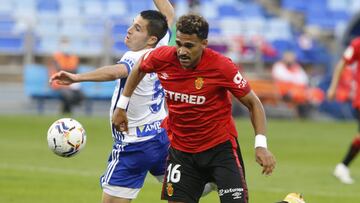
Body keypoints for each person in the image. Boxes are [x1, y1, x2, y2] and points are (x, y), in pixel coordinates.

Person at [113, 14, 276, 203]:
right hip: (181, 152)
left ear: (204, 43)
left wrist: (261, 146)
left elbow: (254, 104)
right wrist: (122, 106)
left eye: (189, 46)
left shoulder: (222, 67)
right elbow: (140, 67)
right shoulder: (164, 57)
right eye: (179, 44)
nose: (182, 51)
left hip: (219, 150)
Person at [50, 1, 177, 202]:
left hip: (133, 145)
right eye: (132, 24)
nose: (128, 31)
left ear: (151, 38)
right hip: (161, 138)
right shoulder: (161, 45)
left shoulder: (134, 56)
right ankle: (218, 176)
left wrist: (77, 77)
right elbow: (169, 13)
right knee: (187, 188)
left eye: (137, 28)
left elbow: (117, 71)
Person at [327, 37, 360, 184]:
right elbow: (342, 63)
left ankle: (342, 167)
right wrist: (333, 87)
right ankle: (342, 166)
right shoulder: (357, 44)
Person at [272, 51, 324, 118]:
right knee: (298, 94)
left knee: (318, 92)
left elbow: (304, 79)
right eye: (288, 57)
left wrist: (295, 80)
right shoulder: (279, 66)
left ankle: (310, 110)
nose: (290, 59)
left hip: (299, 89)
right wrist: (295, 80)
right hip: (285, 90)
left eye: (291, 57)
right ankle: (305, 111)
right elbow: (284, 77)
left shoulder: (297, 67)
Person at [48, 36, 84, 114]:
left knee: (80, 95)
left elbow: (74, 69)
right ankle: (67, 111)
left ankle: (65, 110)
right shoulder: (56, 56)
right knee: (67, 94)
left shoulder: (73, 57)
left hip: (70, 81)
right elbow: (60, 70)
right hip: (58, 81)